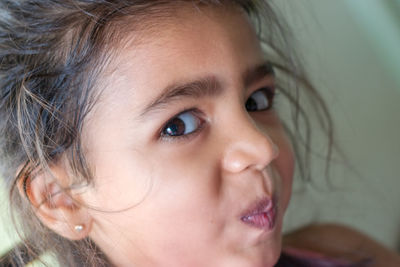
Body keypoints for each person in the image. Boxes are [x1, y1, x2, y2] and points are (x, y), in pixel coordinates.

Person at [0, 0, 399, 266]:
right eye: (180, 125)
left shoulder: (345, 252)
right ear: (60, 199)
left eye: (256, 101)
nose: (263, 146)